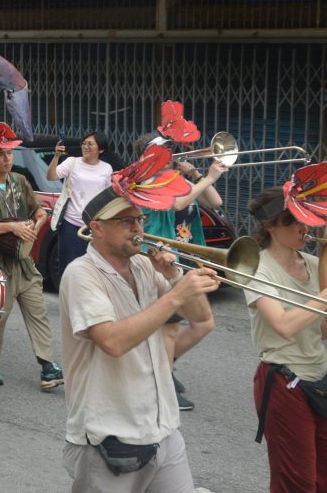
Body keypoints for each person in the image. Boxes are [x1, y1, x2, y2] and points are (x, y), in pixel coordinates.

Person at [60, 187, 219, 492]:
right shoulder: (81, 274)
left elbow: (200, 318)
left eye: (139, 219)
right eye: (126, 221)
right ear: (97, 228)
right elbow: (112, 342)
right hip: (109, 434)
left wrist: (175, 277)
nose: (137, 228)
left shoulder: (145, 265)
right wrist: (174, 296)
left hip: (163, 427)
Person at [135, 132, 227, 410]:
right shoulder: (145, 180)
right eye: (164, 151)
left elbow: (215, 202)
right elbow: (175, 203)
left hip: (185, 258)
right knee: (171, 326)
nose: (171, 156)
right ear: (147, 155)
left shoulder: (176, 179)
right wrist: (208, 177)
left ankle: (162, 368)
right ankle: (161, 381)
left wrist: (198, 174)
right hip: (160, 260)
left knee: (200, 322)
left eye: (171, 151)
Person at [245, 187, 327, 492]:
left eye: (305, 218)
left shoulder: (315, 264)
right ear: (269, 226)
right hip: (283, 381)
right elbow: (283, 325)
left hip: (319, 374)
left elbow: (322, 329)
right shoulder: (256, 268)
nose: (302, 227)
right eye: (292, 221)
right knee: (297, 482)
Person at [0, 139, 64, 390]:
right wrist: (12, 227)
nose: (8, 159)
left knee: (38, 313)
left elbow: (39, 211)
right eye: (1, 155)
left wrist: (35, 226)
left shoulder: (21, 181)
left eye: (9, 153)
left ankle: (47, 365)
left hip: (24, 261)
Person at [46, 132, 114, 283]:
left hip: (94, 226)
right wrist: (56, 156)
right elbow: (51, 176)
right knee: (68, 267)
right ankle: (66, 301)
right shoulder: (72, 162)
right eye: (84, 143)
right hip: (71, 224)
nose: (85, 146)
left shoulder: (107, 169)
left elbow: (108, 197)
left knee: (92, 269)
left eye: (90, 144)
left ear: (100, 149)